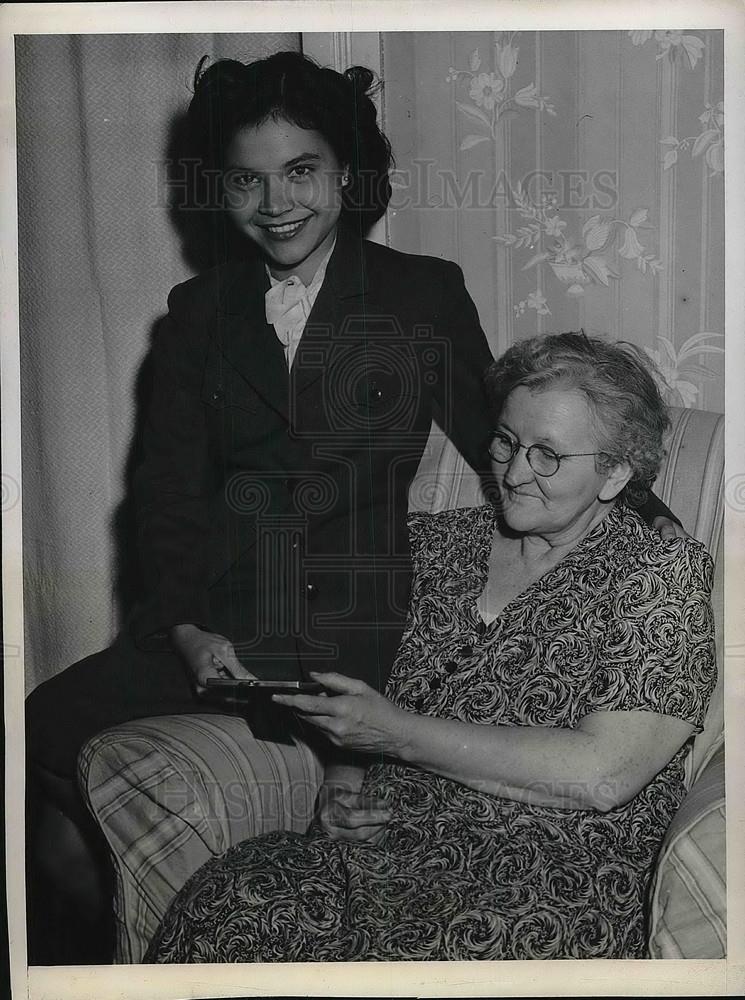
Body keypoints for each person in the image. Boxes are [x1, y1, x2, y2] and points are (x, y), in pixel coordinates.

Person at [24, 52, 680, 963]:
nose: (275, 201)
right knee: (41, 731)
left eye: (301, 171)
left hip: (351, 620)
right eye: (246, 179)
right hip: (215, 613)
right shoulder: (195, 310)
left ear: (350, 176)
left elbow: (502, 428)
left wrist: (645, 510)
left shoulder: (420, 291)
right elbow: (165, 503)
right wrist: (182, 632)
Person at [144, 332, 716, 963]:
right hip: (381, 854)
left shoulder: (662, 569)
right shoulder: (427, 545)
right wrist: (342, 780)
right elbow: (359, 687)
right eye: (507, 441)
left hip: (544, 877)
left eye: (548, 455)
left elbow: (604, 774)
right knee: (230, 899)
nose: (514, 473)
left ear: (615, 473)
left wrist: (396, 734)